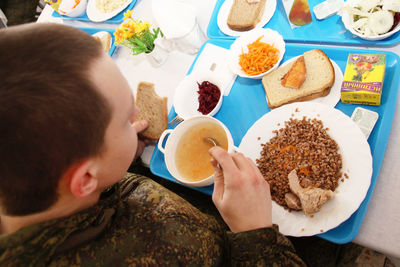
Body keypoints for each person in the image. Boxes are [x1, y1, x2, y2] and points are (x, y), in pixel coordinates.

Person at [0, 22, 308, 266]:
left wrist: (118, 158)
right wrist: (253, 234)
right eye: (124, 119)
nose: (137, 114)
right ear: (84, 179)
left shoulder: (52, 187)